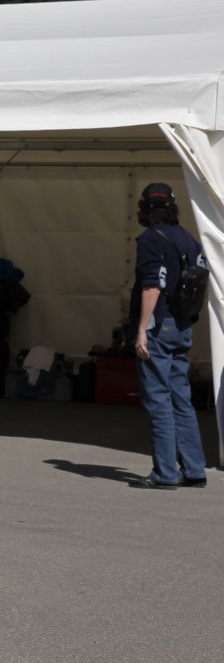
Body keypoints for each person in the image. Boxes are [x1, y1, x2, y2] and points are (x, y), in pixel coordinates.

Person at [129, 181, 208, 489]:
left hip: (159, 325)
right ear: (172, 207)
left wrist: (141, 329)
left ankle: (165, 473)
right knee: (180, 398)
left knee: (158, 399)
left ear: (144, 209)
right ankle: (194, 469)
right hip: (182, 325)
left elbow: (152, 285)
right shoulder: (189, 239)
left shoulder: (151, 239)